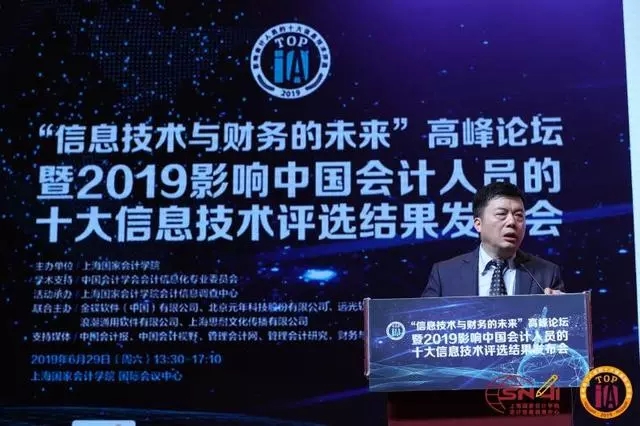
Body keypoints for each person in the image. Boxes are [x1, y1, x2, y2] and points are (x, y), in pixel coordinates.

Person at [421, 181, 565, 297]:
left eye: (519, 215)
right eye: (501, 214)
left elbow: (564, 322)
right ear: (478, 224)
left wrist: (562, 309)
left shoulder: (547, 273)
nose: (512, 222)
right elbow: (423, 320)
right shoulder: (445, 274)